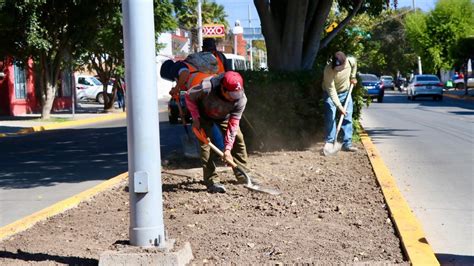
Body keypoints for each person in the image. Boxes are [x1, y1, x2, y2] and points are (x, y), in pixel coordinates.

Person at [185, 71, 248, 193]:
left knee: (238, 139)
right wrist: (196, 118)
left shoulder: (241, 99)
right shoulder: (207, 87)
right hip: (203, 115)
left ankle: (244, 175)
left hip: (225, 116)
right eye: (231, 95)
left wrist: (228, 149)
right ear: (223, 88)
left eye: (236, 94)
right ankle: (212, 181)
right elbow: (189, 96)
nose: (233, 98)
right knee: (205, 147)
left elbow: (234, 124)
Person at [322, 51, 358, 152]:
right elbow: (331, 89)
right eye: (335, 68)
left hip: (345, 93)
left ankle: (347, 144)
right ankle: (330, 141)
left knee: (348, 117)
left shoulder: (350, 62)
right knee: (330, 115)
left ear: (345, 62)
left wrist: (353, 76)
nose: (337, 70)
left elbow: (355, 63)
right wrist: (339, 106)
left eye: (339, 68)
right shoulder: (328, 69)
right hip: (330, 94)